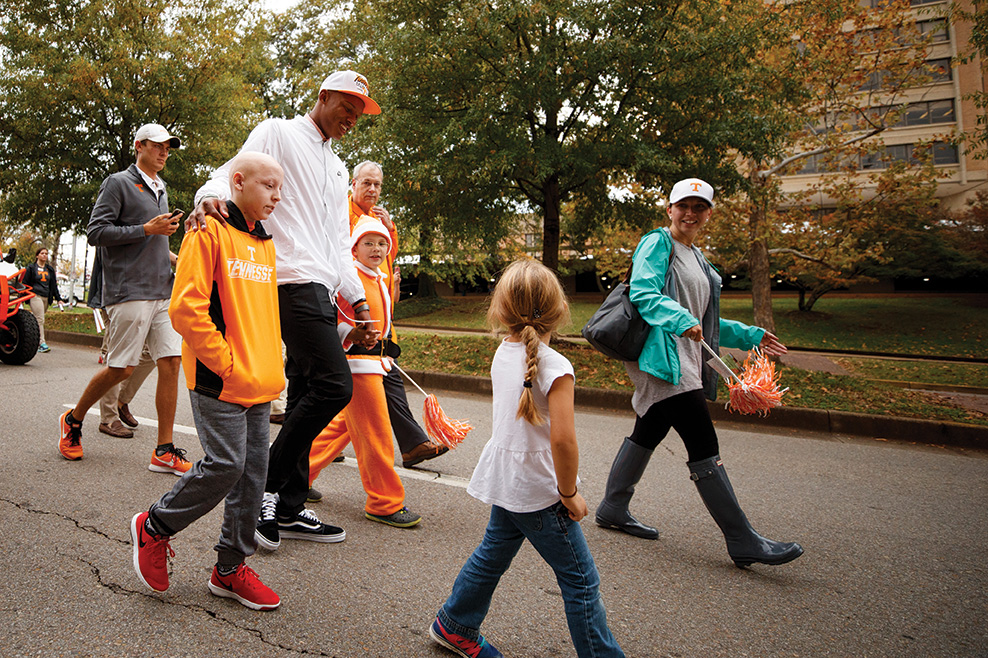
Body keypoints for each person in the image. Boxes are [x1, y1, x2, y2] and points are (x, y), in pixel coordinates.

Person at [192, 70, 380, 549]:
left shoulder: (339, 169)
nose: (351, 119)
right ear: (323, 97)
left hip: (320, 284)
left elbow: (339, 243)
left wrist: (356, 298)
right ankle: (263, 489)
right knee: (335, 384)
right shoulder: (278, 132)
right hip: (285, 279)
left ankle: (290, 505)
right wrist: (207, 198)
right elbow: (231, 170)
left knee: (303, 391)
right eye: (346, 107)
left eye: (358, 115)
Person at [594, 177, 803, 568]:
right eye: (682, 206)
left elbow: (706, 320)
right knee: (702, 441)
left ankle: (612, 507)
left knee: (649, 429)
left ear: (708, 213)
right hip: (664, 359)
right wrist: (678, 318)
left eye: (699, 207)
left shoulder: (698, 258)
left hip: (687, 356)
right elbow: (642, 292)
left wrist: (751, 335)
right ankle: (742, 539)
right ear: (669, 209)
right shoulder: (658, 243)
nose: (690, 213)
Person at [430, 259, 624, 658]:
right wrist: (568, 493)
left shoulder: (505, 351)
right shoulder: (557, 366)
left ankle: (454, 624)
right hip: (540, 489)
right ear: (559, 311)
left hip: (508, 480)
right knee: (581, 582)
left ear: (502, 310)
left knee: (491, 555)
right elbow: (564, 442)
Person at [130, 152, 286, 610]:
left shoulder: (264, 241)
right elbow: (186, 309)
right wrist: (228, 363)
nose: (276, 195)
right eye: (268, 186)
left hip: (258, 379)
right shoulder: (207, 230)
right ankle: (154, 526)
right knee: (226, 465)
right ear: (237, 182)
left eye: (280, 188)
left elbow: (263, 315)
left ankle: (230, 568)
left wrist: (269, 363)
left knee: (253, 476)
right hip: (220, 378)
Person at [58, 123, 191, 476]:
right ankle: (73, 419)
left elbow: (151, 239)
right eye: (158, 146)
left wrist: (170, 252)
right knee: (122, 368)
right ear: (139, 146)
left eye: (168, 148)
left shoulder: (160, 188)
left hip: (162, 288)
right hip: (129, 290)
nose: (164, 153)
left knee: (171, 363)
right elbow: (96, 233)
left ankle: (164, 449)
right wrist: (147, 230)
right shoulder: (117, 183)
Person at [307, 216, 422, 528]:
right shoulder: (350, 278)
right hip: (357, 365)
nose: (377, 248)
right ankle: (384, 502)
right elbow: (328, 319)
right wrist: (351, 333)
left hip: (375, 364)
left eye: (382, 242)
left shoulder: (376, 277)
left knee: (340, 427)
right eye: (368, 242)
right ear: (354, 249)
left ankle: (296, 474)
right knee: (376, 433)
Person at [347, 160, 448, 469]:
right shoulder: (342, 217)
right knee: (346, 402)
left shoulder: (382, 220)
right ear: (353, 184)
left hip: (382, 319)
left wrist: (389, 229)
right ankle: (302, 461)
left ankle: (413, 444)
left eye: (377, 184)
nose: (373, 190)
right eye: (366, 183)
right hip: (354, 323)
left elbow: (384, 267)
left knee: (383, 383)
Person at [88, 248, 157, 439]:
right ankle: (108, 417)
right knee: (118, 357)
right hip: (119, 294)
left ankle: (121, 400)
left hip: (149, 294)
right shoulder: (121, 221)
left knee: (154, 352)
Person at [22, 246, 65, 353]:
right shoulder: (31, 268)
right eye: (42, 253)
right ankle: (42, 343)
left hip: (46, 296)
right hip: (35, 295)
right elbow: (25, 283)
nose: (44, 255)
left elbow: (53, 286)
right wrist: (22, 297)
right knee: (40, 319)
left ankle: (32, 340)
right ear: (37, 255)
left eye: (46, 253)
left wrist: (58, 299)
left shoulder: (49, 269)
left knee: (37, 320)